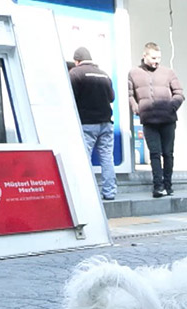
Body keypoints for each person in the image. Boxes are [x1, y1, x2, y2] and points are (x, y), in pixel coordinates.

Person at [127, 42, 184, 198]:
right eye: (153, 58)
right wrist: (136, 108)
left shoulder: (168, 72)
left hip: (168, 119)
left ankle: (168, 185)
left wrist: (171, 107)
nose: (156, 61)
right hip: (149, 120)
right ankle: (158, 187)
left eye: (158, 58)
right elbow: (130, 94)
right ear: (144, 56)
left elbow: (179, 93)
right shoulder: (134, 73)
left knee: (168, 153)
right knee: (154, 154)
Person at [69, 46, 117, 201]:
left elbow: (70, 97)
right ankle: (109, 192)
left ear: (77, 61)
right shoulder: (104, 75)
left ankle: (87, 193)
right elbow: (111, 98)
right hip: (106, 123)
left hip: (87, 123)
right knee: (107, 158)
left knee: (85, 158)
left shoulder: (75, 73)